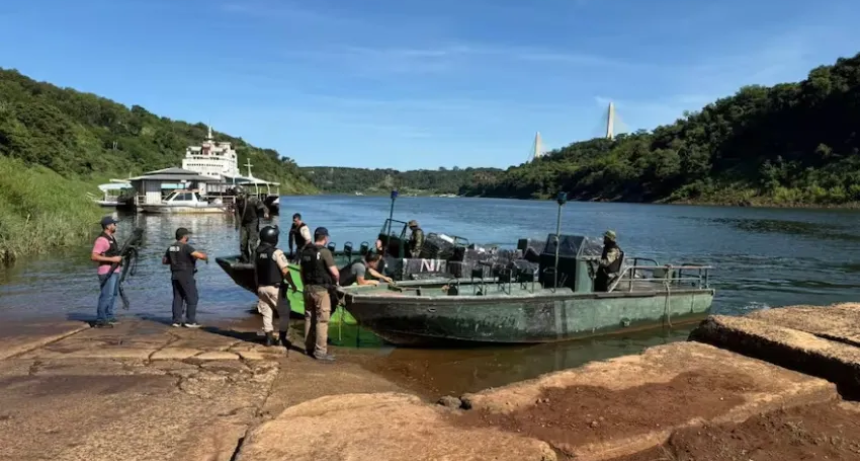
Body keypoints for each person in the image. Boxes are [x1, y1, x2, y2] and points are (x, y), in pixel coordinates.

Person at [299, 227, 339, 361]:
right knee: (322, 320)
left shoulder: (305, 251)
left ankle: (308, 348)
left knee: (309, 318)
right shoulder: (325, 252)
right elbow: (334, 272)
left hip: (307, 288)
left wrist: (305, 284)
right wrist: (337, 282)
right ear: (325, 238)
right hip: (321, 290)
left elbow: (301, 271)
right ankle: (320, 352)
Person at [255, 225, 298, 347]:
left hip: (261, 287)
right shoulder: (276, 252)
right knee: (284, 313)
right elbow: (285, 271)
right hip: (275, 288)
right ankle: (281, 339)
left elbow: (256, 271)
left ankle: (268, 339)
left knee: (266, 313)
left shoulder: (257, 252)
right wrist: (293, 285)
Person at [162, 227, 208, 328]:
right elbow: (199, 255)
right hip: (186, 275)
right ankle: (190, 321)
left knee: (178, 298)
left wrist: (175, 261)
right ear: (184, 236)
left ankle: (176, 321)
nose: (188, 237)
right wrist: (205, 257)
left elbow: (164, 261)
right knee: (192, 297)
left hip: (174, 275)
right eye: (187, 235)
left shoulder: (171, 247)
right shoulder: (186, 247)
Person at [90, 216, 123, 328]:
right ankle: (100, 319)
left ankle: (109, 316)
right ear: (108, 226)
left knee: (113, 294)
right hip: (106, 271)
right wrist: (112, 260)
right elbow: (94, 256)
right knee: (106, 295)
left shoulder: (111, 238)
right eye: (114, 224)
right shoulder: (101, 240)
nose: (115, 226)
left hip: (115, 271)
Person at [234, 186, 269, 262]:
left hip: (253, 223)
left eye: (238, 194)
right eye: (236, 194)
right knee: (243, 245)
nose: (237, 196)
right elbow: (237, 213)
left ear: (243, 193)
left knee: (253, 245)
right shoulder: (237, 201)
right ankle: (246, 260)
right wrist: (237, 224)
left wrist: (266, 213)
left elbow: (263, 207)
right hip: (243, 224)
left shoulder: (252, 199)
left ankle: (254, 261)